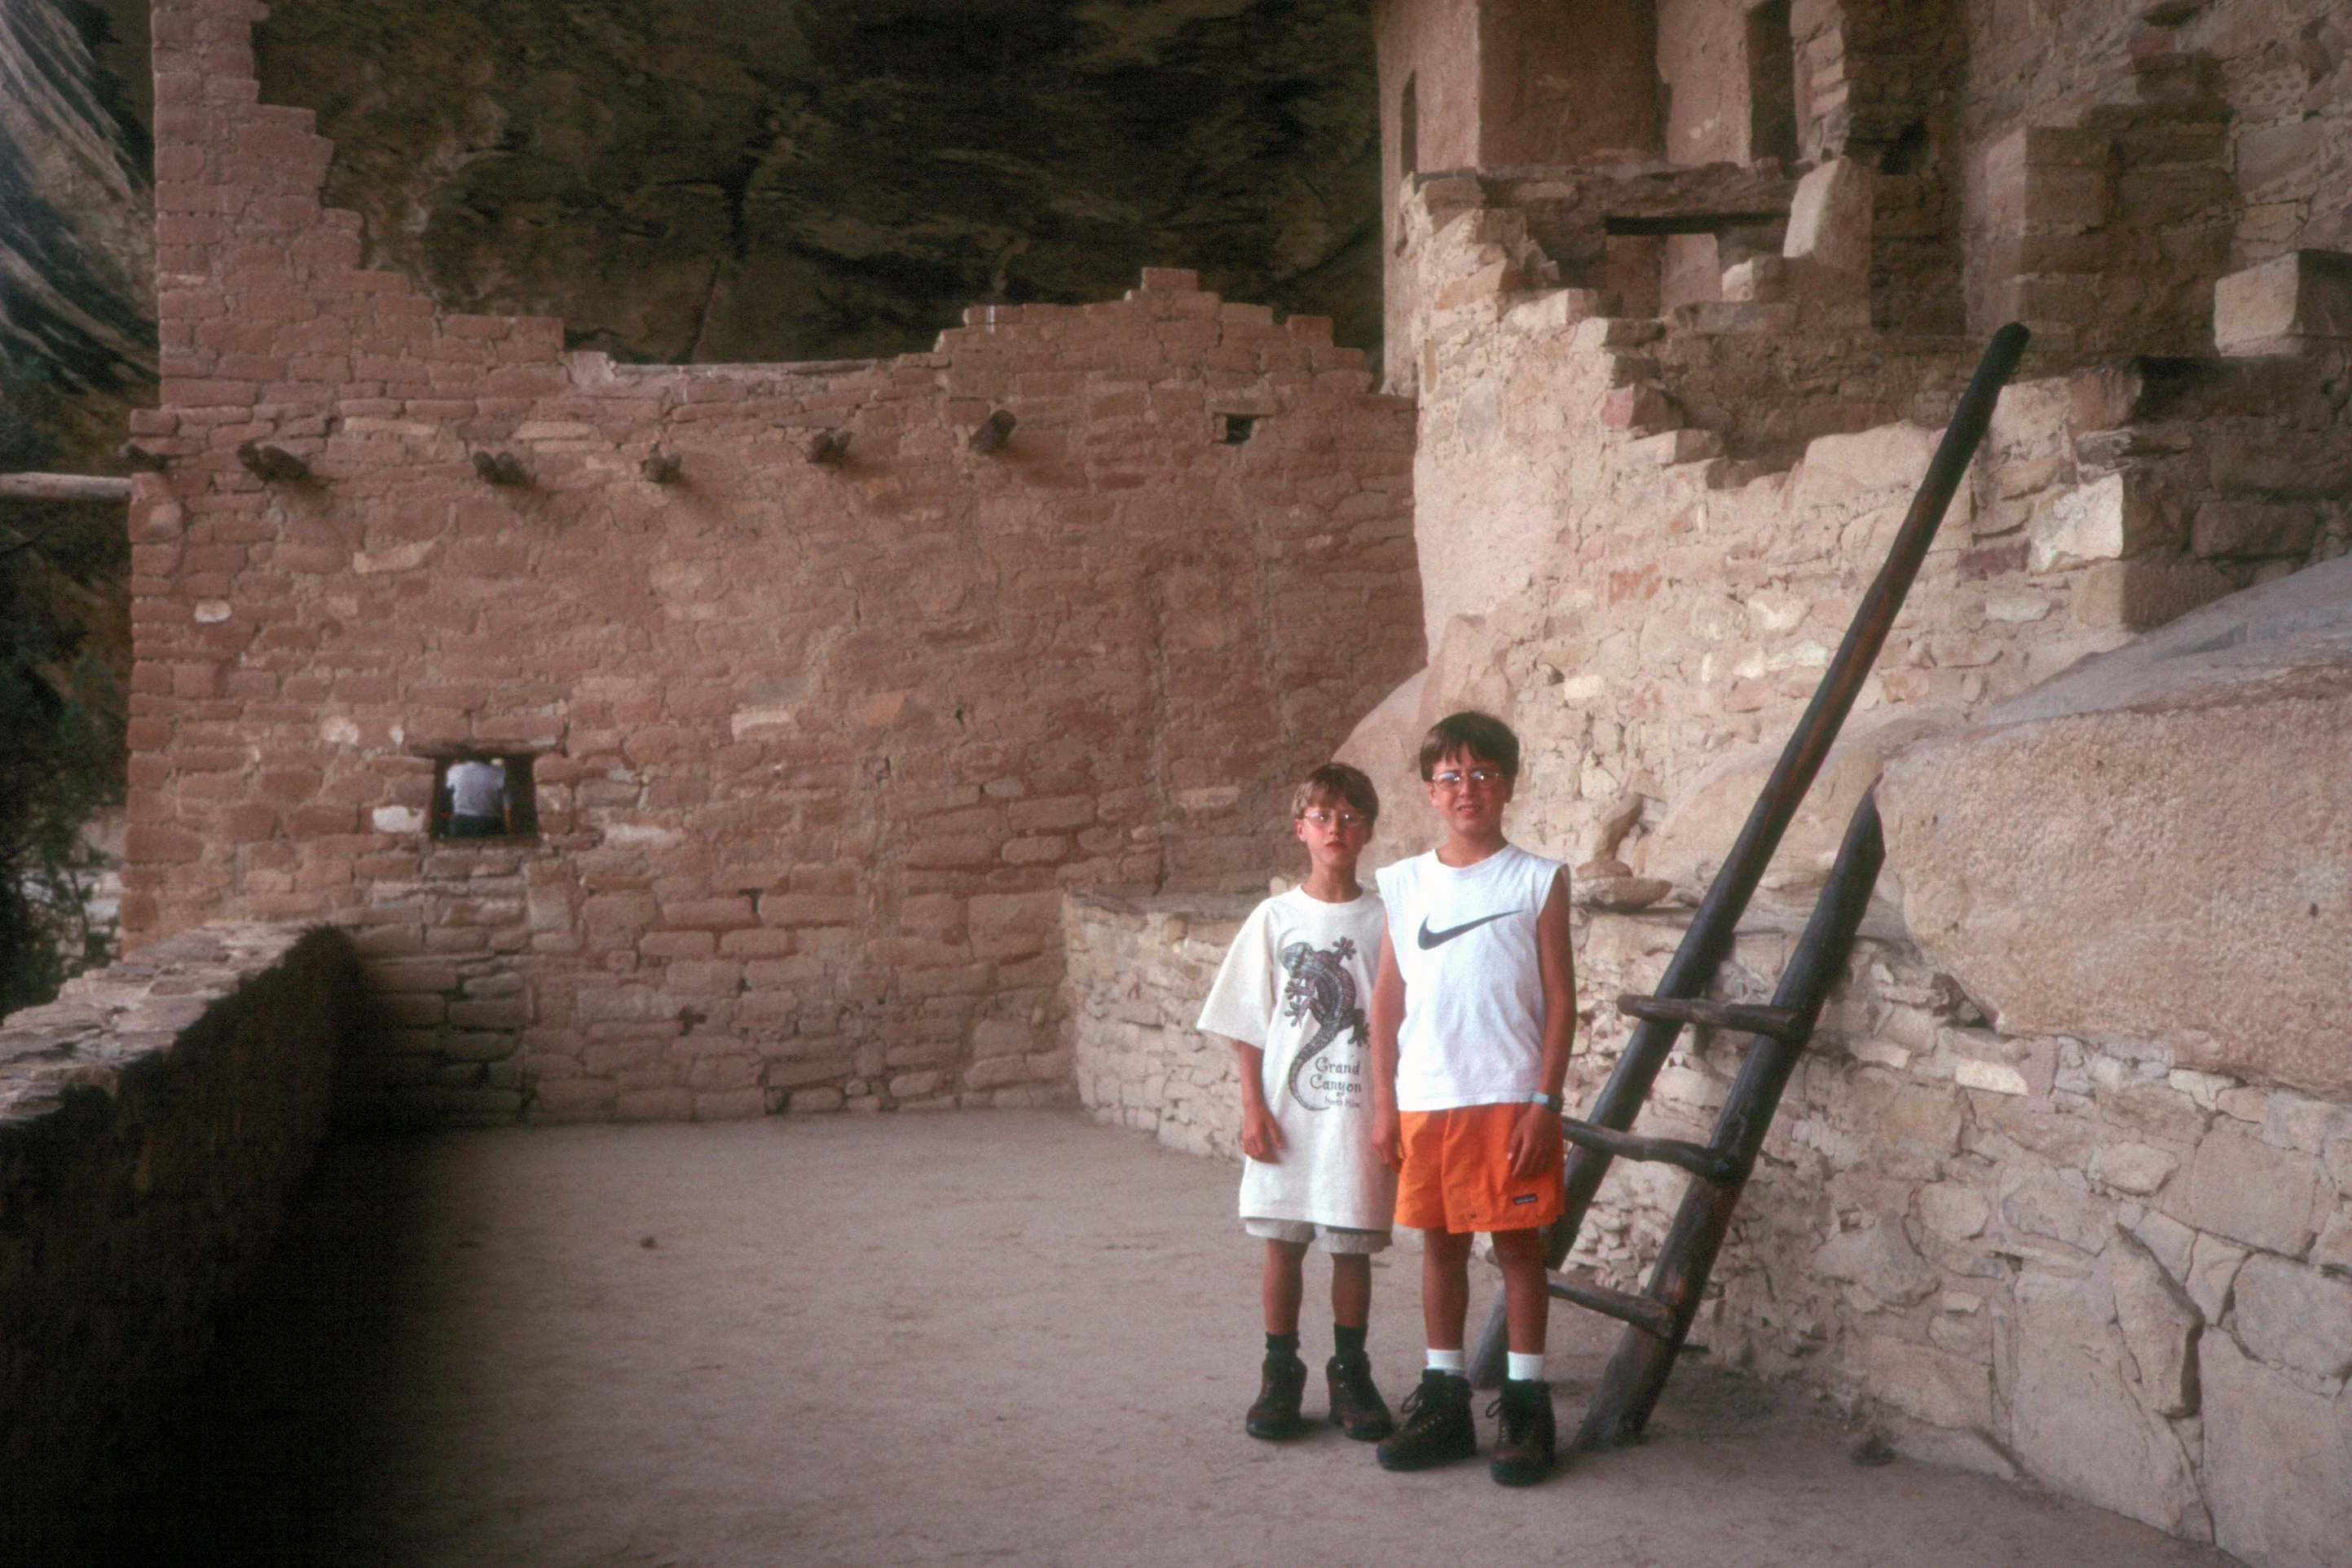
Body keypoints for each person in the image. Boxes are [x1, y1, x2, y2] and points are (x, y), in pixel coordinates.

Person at [1368, 711, 1576, 1486]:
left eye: (1484, 774)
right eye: (1451, 776)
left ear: (1509, 784)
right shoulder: (1404, 883)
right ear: (1430, 791)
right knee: (1440, 1246)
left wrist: (1543, 1101)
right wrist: (1385, 1104)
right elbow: (1386, 1002)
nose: (1468, 789)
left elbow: (1561, 1000)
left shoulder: (1537, 879)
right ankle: (1445, 1400)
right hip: (1428, 1097)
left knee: (1519, 1249)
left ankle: (1526, 1404)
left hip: (1510, 1097)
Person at [1196, 762, 1399, 1443]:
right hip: (1286, 1112)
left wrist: (1391, 1111)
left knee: (1350, 1246)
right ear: (1300, 830)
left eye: (1349, 817)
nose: (1335, 828)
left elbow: (1396, 1017)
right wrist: (1253, 1107)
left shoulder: (1386, 916)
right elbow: (1248, 1021)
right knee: (1282, 1244)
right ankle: (1279, 1372)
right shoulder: (1275, 918)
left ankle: (1350, 1372)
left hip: (1357, 1111)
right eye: (1321, 817)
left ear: (1367, 830)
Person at [444, 755, 509, 838]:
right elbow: (507, 807)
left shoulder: (455, 771)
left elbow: (448, 793)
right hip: (490, 823)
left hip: (461, 821)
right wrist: (509, 830)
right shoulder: (499, 773)